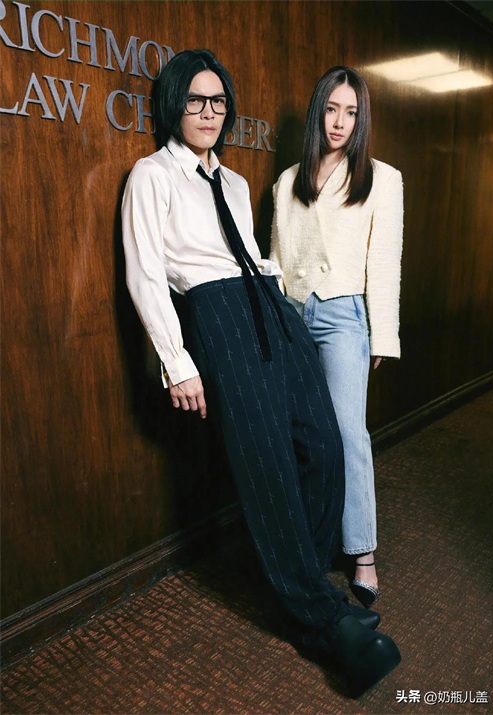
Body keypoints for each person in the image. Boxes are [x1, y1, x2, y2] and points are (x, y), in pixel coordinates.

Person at [121, 49, 400, 696]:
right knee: (267, 463)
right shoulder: (152, 175)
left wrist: (282, 308)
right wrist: (177, 362)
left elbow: (251, 252)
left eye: (218, 101)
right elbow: (145, 274)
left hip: (270, 305)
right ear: (174, 104)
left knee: (323, 446)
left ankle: (303, 576)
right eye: (196, 100)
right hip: (215, 316)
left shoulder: (237, 182)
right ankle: (323, 622)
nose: (209, 112)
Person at [270, 66, 404, 608]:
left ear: (361, 117)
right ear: (318, 112)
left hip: (345, 314)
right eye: (331, 109)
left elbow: (385, 261)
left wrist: (382, 335)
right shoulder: (287, 180)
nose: (339, 122)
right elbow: (276, 258)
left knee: (349, 433)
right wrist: (275, 321)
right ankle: (311, 540)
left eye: (350, 112)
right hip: (293, 313)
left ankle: (362, 551)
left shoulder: (382, 178)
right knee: (302, 433)